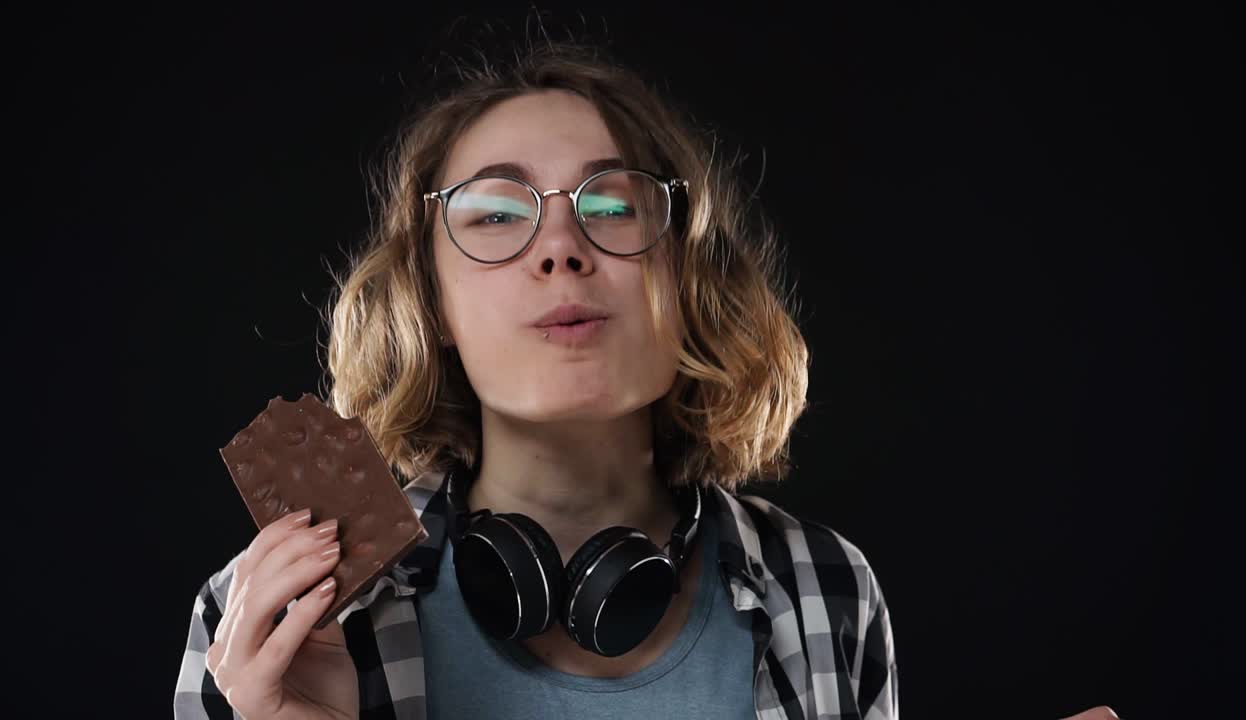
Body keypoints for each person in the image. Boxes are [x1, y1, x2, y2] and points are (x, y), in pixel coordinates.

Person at [174, 39, 1117, 720]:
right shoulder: (268, 625)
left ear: (686, 281)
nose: (560, 248)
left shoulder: (828, 591)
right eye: (496, 215)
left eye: (613, 204)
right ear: (433, 306)